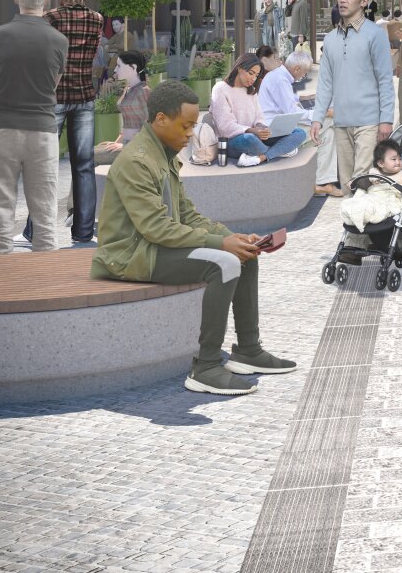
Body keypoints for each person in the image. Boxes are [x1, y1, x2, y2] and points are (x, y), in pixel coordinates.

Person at [92, 80, 297, 395]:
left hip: (153, 246)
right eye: (185, 125)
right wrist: (221, 245)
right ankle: (205, 367)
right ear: (161, 119)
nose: (191, 134)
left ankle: (248, 351)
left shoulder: (163, 153)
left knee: (243, 254)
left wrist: (234, 237)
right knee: (224, 264)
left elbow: (187, 215)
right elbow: (156, 228)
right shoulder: (138, 160)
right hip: (131, 255)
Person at [0, 0, 69, 255]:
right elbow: (52, 84)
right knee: (44, 214)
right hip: (42, 131)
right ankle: (45, 288)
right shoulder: (58, 40)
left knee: (0, 211)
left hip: (0, 128)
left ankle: (0, 281)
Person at [45, 0, 109, 244]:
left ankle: (34, 229)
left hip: (56, 96)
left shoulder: (52, 18)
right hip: (84, 96)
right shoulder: (97, 19)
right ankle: (83, 231)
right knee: (84, 165)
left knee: (44, 165)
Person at [315, 0, 394, 200]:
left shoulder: (375, 34)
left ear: (364, 1)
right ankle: (354, 232)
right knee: (348, 184)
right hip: (341, 121)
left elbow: (385, 79)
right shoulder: (330, 39)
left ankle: (360, 234)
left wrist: (386, 118)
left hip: (369, 121)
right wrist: (317, 118)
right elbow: (325, 82)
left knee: (362, 181)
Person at [209, 56, 309, 165]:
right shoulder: (220, 89)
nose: (253, 79)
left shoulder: (251, 91)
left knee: (299, 133)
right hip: (234, 141)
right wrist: (251, 130)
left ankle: (261, 157)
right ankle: (281, 149)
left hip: (256, 136)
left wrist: (262, 128)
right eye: (251, 73)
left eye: (256, 76)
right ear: (239, 68)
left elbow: (259, 117)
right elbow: (225, 127)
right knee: (250, 139)